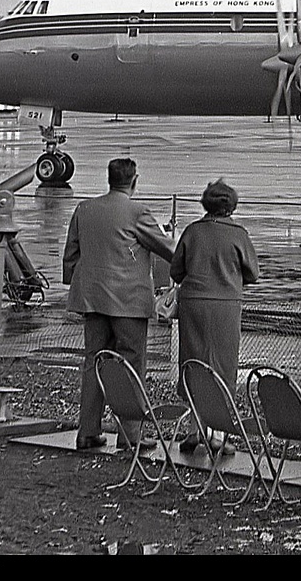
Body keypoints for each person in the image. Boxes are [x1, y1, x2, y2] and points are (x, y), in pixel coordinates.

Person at [62, 157, 174, 451]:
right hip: (128, 302)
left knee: (94, 363)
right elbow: (166, 248)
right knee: (132, 366)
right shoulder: (138, 212)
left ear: (109, 178)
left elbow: (71, 252)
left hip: (92, 299)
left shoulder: (84, 208)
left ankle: (88, 430)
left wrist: (72, 282)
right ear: (134, 181)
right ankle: (130, 435)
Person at [170, 178, 259, 453]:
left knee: (193, 361)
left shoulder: (192, 231)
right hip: (225, 305)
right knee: (222, 365)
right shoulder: (239, 234)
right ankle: (219, 434)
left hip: (193, 302)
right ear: (231, 206)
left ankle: (194, 430)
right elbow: (253, 274)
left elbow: (176, 271)